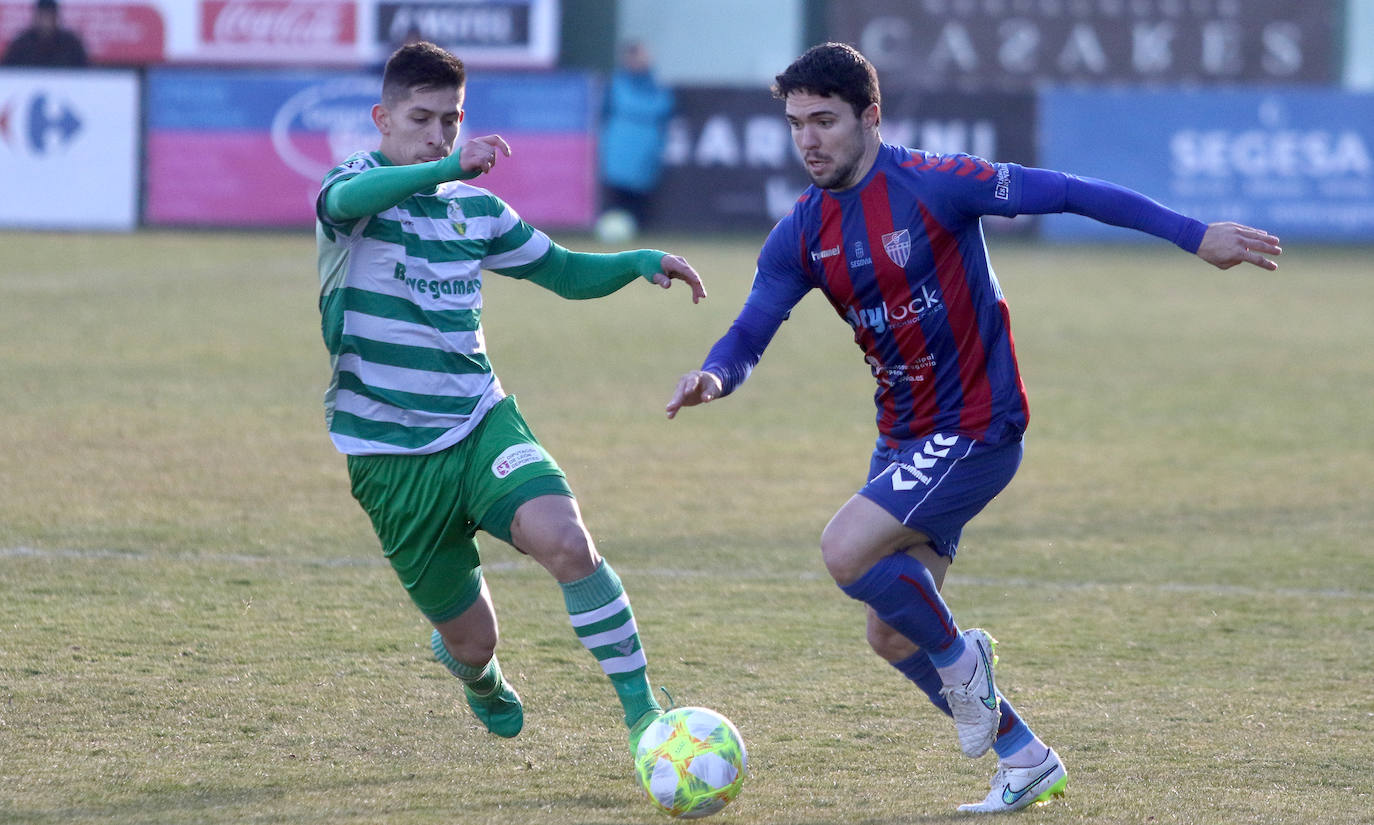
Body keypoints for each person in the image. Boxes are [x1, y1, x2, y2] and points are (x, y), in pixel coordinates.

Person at [665, 42, 1281, 814]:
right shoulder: (801, 232)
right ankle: (1024, 756)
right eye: (796, 125)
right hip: (905, 436)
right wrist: (714, 376)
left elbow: (1067, 192)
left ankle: (965, 666)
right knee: (891, 634)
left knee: (844, 549)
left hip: (979, 425)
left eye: (824, 120)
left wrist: (1194, 235)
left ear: (871, 117)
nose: (808, 140)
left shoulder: (937, 185)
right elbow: (750, 331)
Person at [315, 42, 706, 758]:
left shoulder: (477, 209)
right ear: (382, 118)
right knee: (472, 638)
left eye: (451, 121)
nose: (438, 135)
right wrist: (439, 169)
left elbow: (562, 271)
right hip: (388, 456)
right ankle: (480, 677)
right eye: (421, 118)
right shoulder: (352, 194)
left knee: (568, 540)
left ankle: (646, 715)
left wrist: (640, 261)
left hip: (478, 422)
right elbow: (342, 201)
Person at [596, 40, 674, 237]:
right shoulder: (617, 83)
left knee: (641, 194)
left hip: (647, 145)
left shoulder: (657, 84)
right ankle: (614, 233)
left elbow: (666, 107)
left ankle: (639, 233)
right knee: (618, 193)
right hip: (619, 145)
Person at [2, 0, 87, 67]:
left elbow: (85, 73)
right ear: (35, 17)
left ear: (56, 17)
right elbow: (8, 72)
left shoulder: (71, 44)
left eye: (49, 16)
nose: (45, 21)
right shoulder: (21, 44)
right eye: (42, 16)